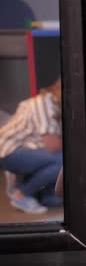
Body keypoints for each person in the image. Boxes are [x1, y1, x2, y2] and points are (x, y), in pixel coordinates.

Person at [0, 79, 63, 214]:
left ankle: (22, 183)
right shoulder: (46, 103)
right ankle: (21, 194)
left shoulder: (51, 104)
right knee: (64, 160)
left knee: (53, 200)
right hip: (10, 150)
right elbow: (53, 145)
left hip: (28, 149)